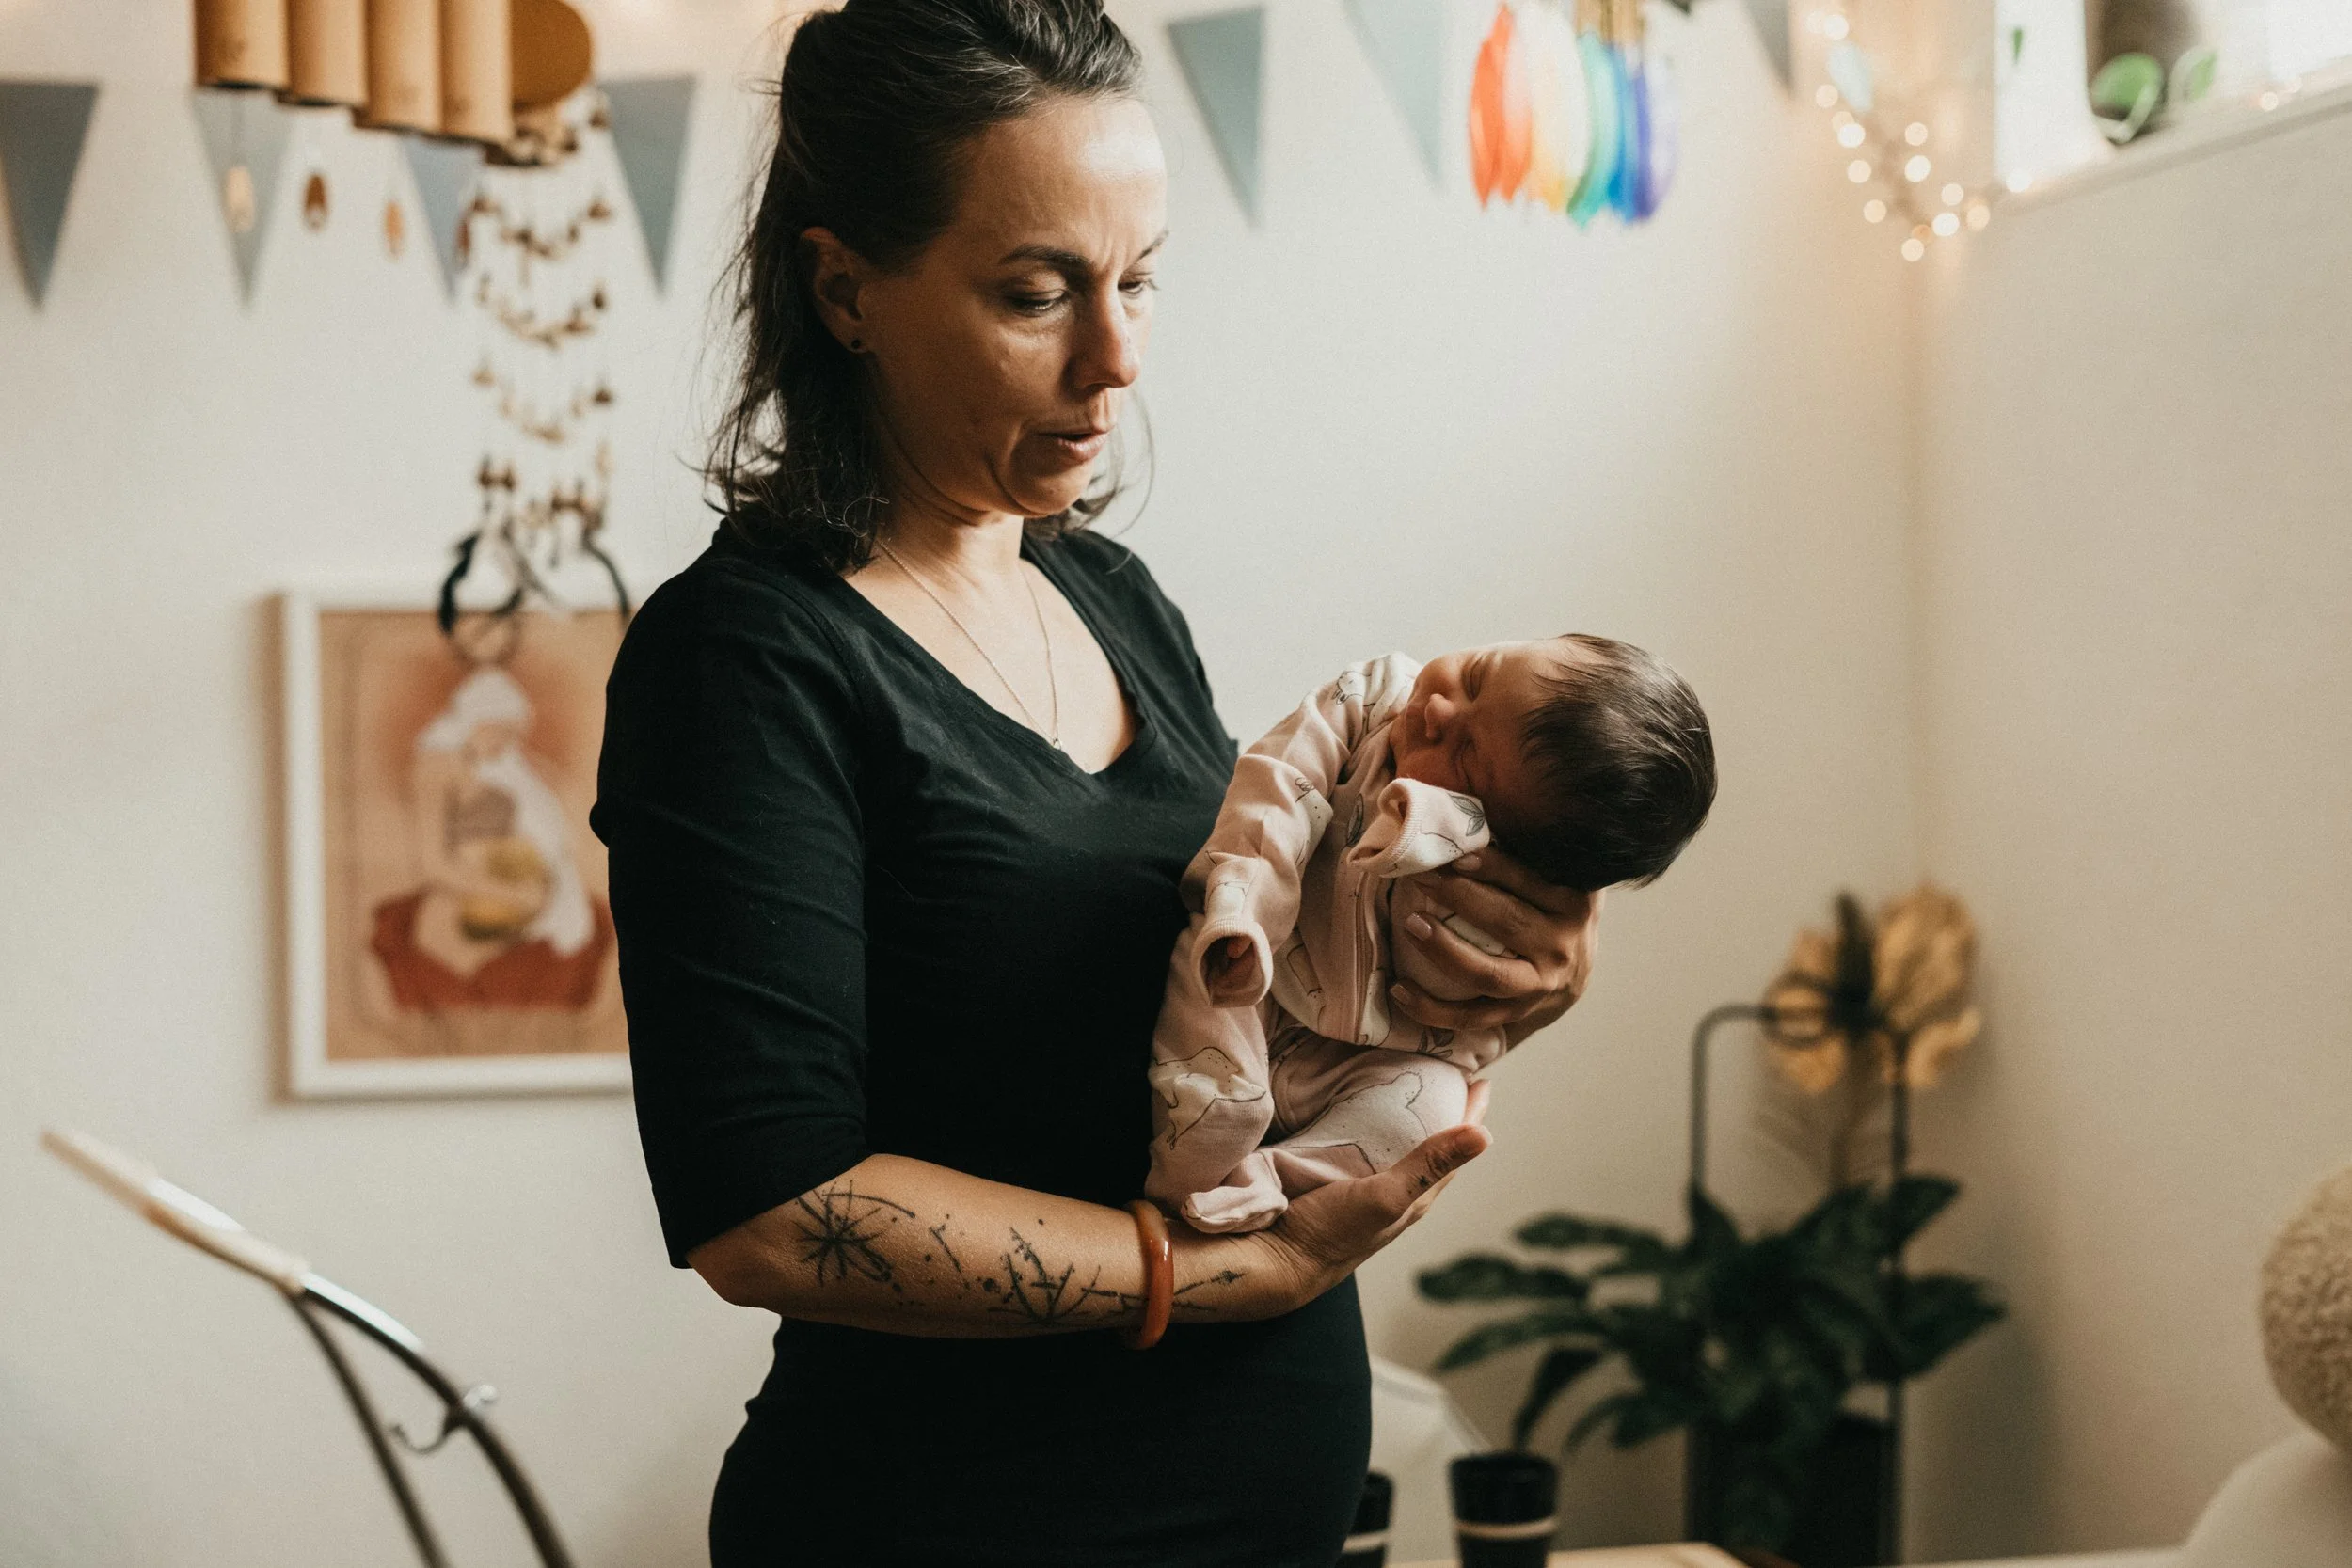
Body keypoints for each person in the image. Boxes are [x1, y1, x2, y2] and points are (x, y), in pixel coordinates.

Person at [591, 0, 1601, 1560]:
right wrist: (1200, 1279)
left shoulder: (1114, 597)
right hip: (959, 1518)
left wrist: (1500, 953)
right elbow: (769, 1213)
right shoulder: (744, 658)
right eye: (1039, 291)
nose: (1116, 356)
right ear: (845, 285)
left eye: (1137, 282)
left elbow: (1260, 993)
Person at [1147, 639, 1714, 1233]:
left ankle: (1273, 1177)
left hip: (1369, 1062)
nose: (1440, 710)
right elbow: (1280, 790)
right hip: (1260, 969)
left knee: (1430, 1116)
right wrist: (1249, 908)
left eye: (1467, 759)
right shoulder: (1370, 701)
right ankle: (1199, 1155)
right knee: (1213, 978)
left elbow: (1469, 1017)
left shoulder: (1516, 894)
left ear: (1518, 849)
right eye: (1475, 675)